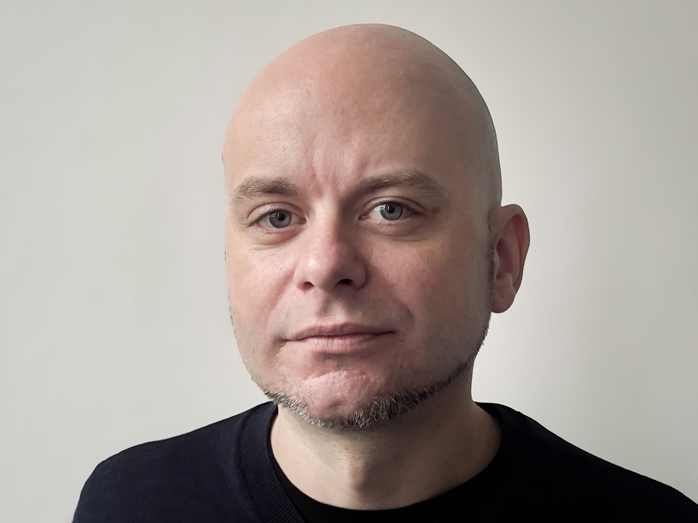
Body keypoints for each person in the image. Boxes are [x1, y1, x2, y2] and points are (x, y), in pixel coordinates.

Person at [74, 24, 698, 522]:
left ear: (501, 260)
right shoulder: (128, 505)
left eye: (391, 209)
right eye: (276, 217)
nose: (325, 265)